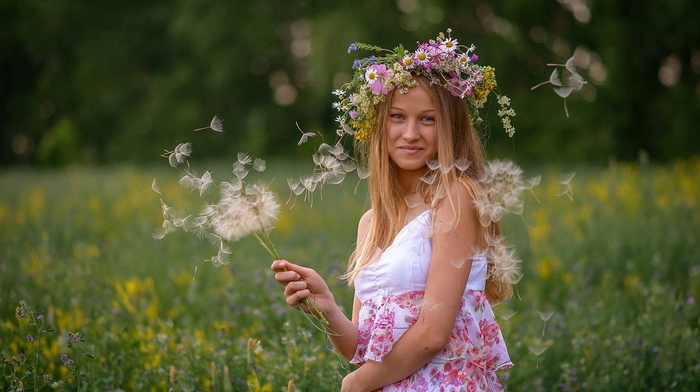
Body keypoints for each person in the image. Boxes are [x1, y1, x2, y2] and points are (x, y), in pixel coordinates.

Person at [271, 30, 518, 392]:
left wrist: (355, 385)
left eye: (428, 119)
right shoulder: (372, 222)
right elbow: (364, 349)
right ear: (378, 125)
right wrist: (328, 308)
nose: (411, 133)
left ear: (450, 127)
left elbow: (433, 335)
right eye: (398, 117)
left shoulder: (455, 199)